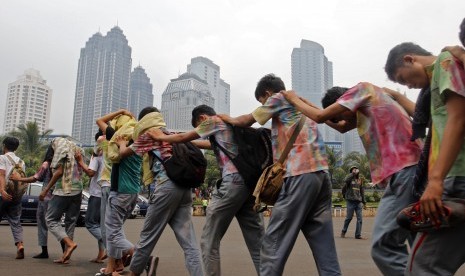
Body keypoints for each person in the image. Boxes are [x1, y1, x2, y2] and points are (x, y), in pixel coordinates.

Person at [282, 82, 422, 275]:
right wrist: (308, 105)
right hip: (414, 172)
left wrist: (293, 99)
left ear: (344, 102)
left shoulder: (362, 90)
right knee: (419, 249)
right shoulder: (370, 103)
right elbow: (340, 127)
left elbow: (321, 117)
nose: (341, 119)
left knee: (383, 247)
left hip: (405, 172)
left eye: (340, 113)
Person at [220, 74, 341, 276]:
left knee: (272, 243)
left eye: (261, 100)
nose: (263, 104)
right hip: (321, 176)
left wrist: (228, 119)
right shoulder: (299, 102)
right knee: (324, 246)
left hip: (299, 174)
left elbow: (247, 120)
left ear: (267, 93)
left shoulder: (278, 98)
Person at [149, 104, 265, 275]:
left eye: (198, 126)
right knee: (258, 243)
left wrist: (160, 137)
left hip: (233, 183)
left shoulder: (213, 121)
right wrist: (185, 138)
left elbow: (184, 138)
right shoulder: (228, 126)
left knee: (208, 241)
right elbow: (206, 143)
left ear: (202, 118)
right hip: (250, 186)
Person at [385, 42, 465, 275]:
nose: (408, 85)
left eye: (403, 79)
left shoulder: (445, 63)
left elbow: (457, 119)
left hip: (457, 178)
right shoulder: (441, 78)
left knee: (423, 267)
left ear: (410, 59)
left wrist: (436, 180)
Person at [120, 106, 202, 276]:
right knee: (189, 242)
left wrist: (121, 143)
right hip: (185, 189)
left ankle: (134, 273)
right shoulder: (170, 133)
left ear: (143, 122)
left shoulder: (149, 135)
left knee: (148, 235)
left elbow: (123, 153)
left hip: (166, 186)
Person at [96, 110, 139, 276]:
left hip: (120, 191)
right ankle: (113, 268)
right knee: (116, 228)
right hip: (133, 192)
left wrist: (121, 111)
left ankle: (140, 256)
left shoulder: (119, 139)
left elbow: (99, 120)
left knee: (112, 233)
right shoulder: (137, 139)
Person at [40, 137, 83, 264]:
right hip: (78, 191)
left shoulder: (60, 152)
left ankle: (69, 243)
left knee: (51, 219)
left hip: (63, 190)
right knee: (71, 222)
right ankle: (66, 255)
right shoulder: (76, 151)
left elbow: (58, 172)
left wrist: (45, 190)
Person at [10, 143, 54, 258]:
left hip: (45, 196)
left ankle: (44, 251)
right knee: (56, 224)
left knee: (42, 223)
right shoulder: (62, 164)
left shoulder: (46, 164)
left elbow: (35, 178)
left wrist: (19, 179)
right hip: (58, 197)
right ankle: (65, 249)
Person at [77, 132, 106, 263]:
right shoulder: (113, 152)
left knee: (90, 223)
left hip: (97, 193)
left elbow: (90, 172)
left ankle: (114, 247)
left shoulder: (97, 154)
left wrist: (81, 162)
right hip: (108, 192)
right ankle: (101, 254)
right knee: (101, 225)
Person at [0, 137, 25, 259]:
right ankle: (20, 245)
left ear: (4, 146)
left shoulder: (2, 158)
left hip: (3, 195)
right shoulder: (21, 161)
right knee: (15, 221)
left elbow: (2, 174)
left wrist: (2, 190)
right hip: (16, 196)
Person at [340, 166, 366, 239]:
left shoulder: (360, 180)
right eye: (353, 170)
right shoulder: (349, 180)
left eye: (356, 169)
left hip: (358, 202)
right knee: (349, 218)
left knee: (360, 219)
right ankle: (343, 231)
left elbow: (362, 191)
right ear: (351, 172)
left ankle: (358, 235)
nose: (355, 171)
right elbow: (345, 180)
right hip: (350, 201)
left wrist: (364, 202)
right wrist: (352, 174)